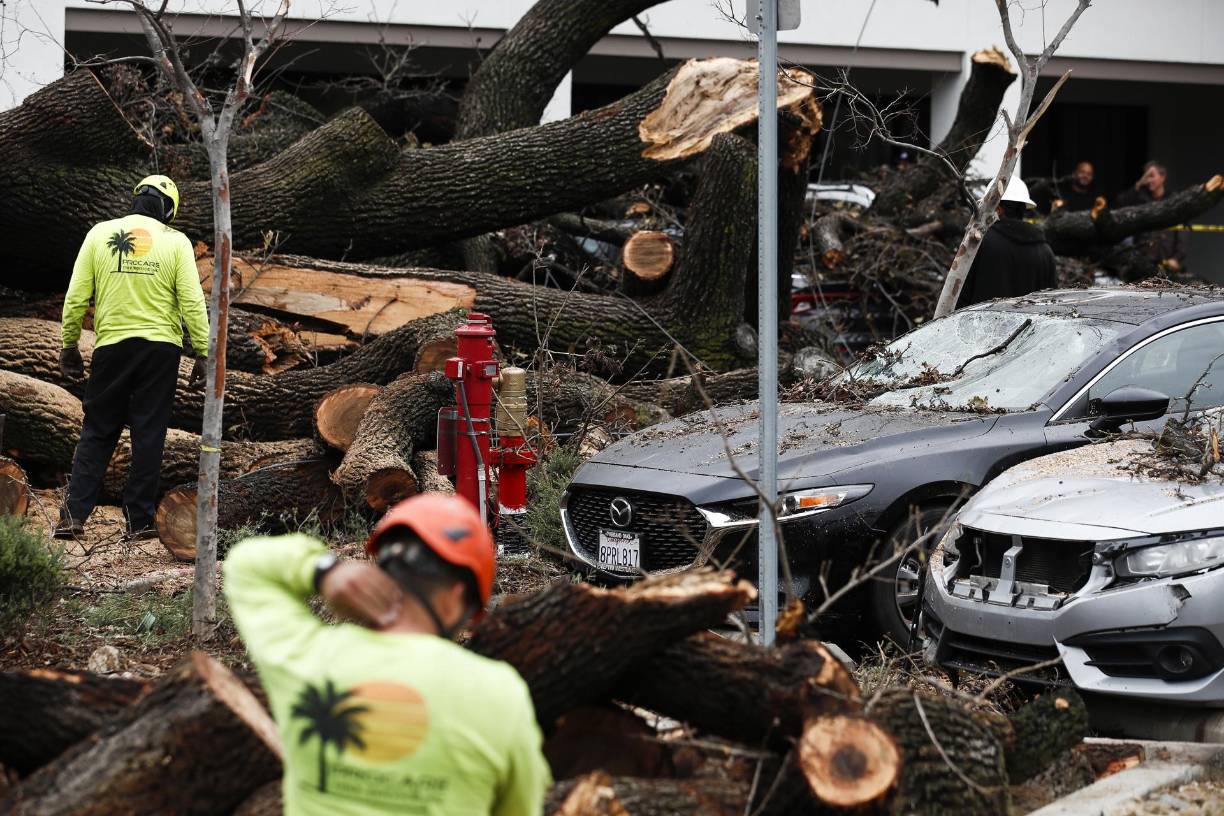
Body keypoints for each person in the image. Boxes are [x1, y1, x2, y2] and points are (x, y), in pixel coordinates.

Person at [224, 493, 552, 816]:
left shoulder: (309, 658)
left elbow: (246, 565)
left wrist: (325, 570)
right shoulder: (499, 695)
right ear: (456, 597)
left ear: (381, 571)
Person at [55, 176, 209, 539]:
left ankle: (73, 516)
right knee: (149, 433)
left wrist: (69, 344)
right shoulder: (176, 242)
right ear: (169, 209)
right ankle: (138, 522)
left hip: (112, 348)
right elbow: (191, 301)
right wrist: (203, 352)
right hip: (160, 351)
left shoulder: (99, 234)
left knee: (97, 430)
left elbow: (77, 293)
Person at [956, 176, 1058, 309]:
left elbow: (960, 297)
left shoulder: (979, 243)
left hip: (982, 328)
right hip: (1029, 330)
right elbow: (1052, 305)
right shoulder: (1045, 251)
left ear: (998, 210)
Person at [1116, 160, 1187, 274]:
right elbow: (1122, 202)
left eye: (1151, 176)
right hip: (1143, 261)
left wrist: (1176, 258)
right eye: (1146, 176)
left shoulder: (1174, 199)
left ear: (1163, 177)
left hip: (1168, 262)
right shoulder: (1140, 198)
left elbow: (1182, 230)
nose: (1148, 180)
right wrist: (1139, 183)